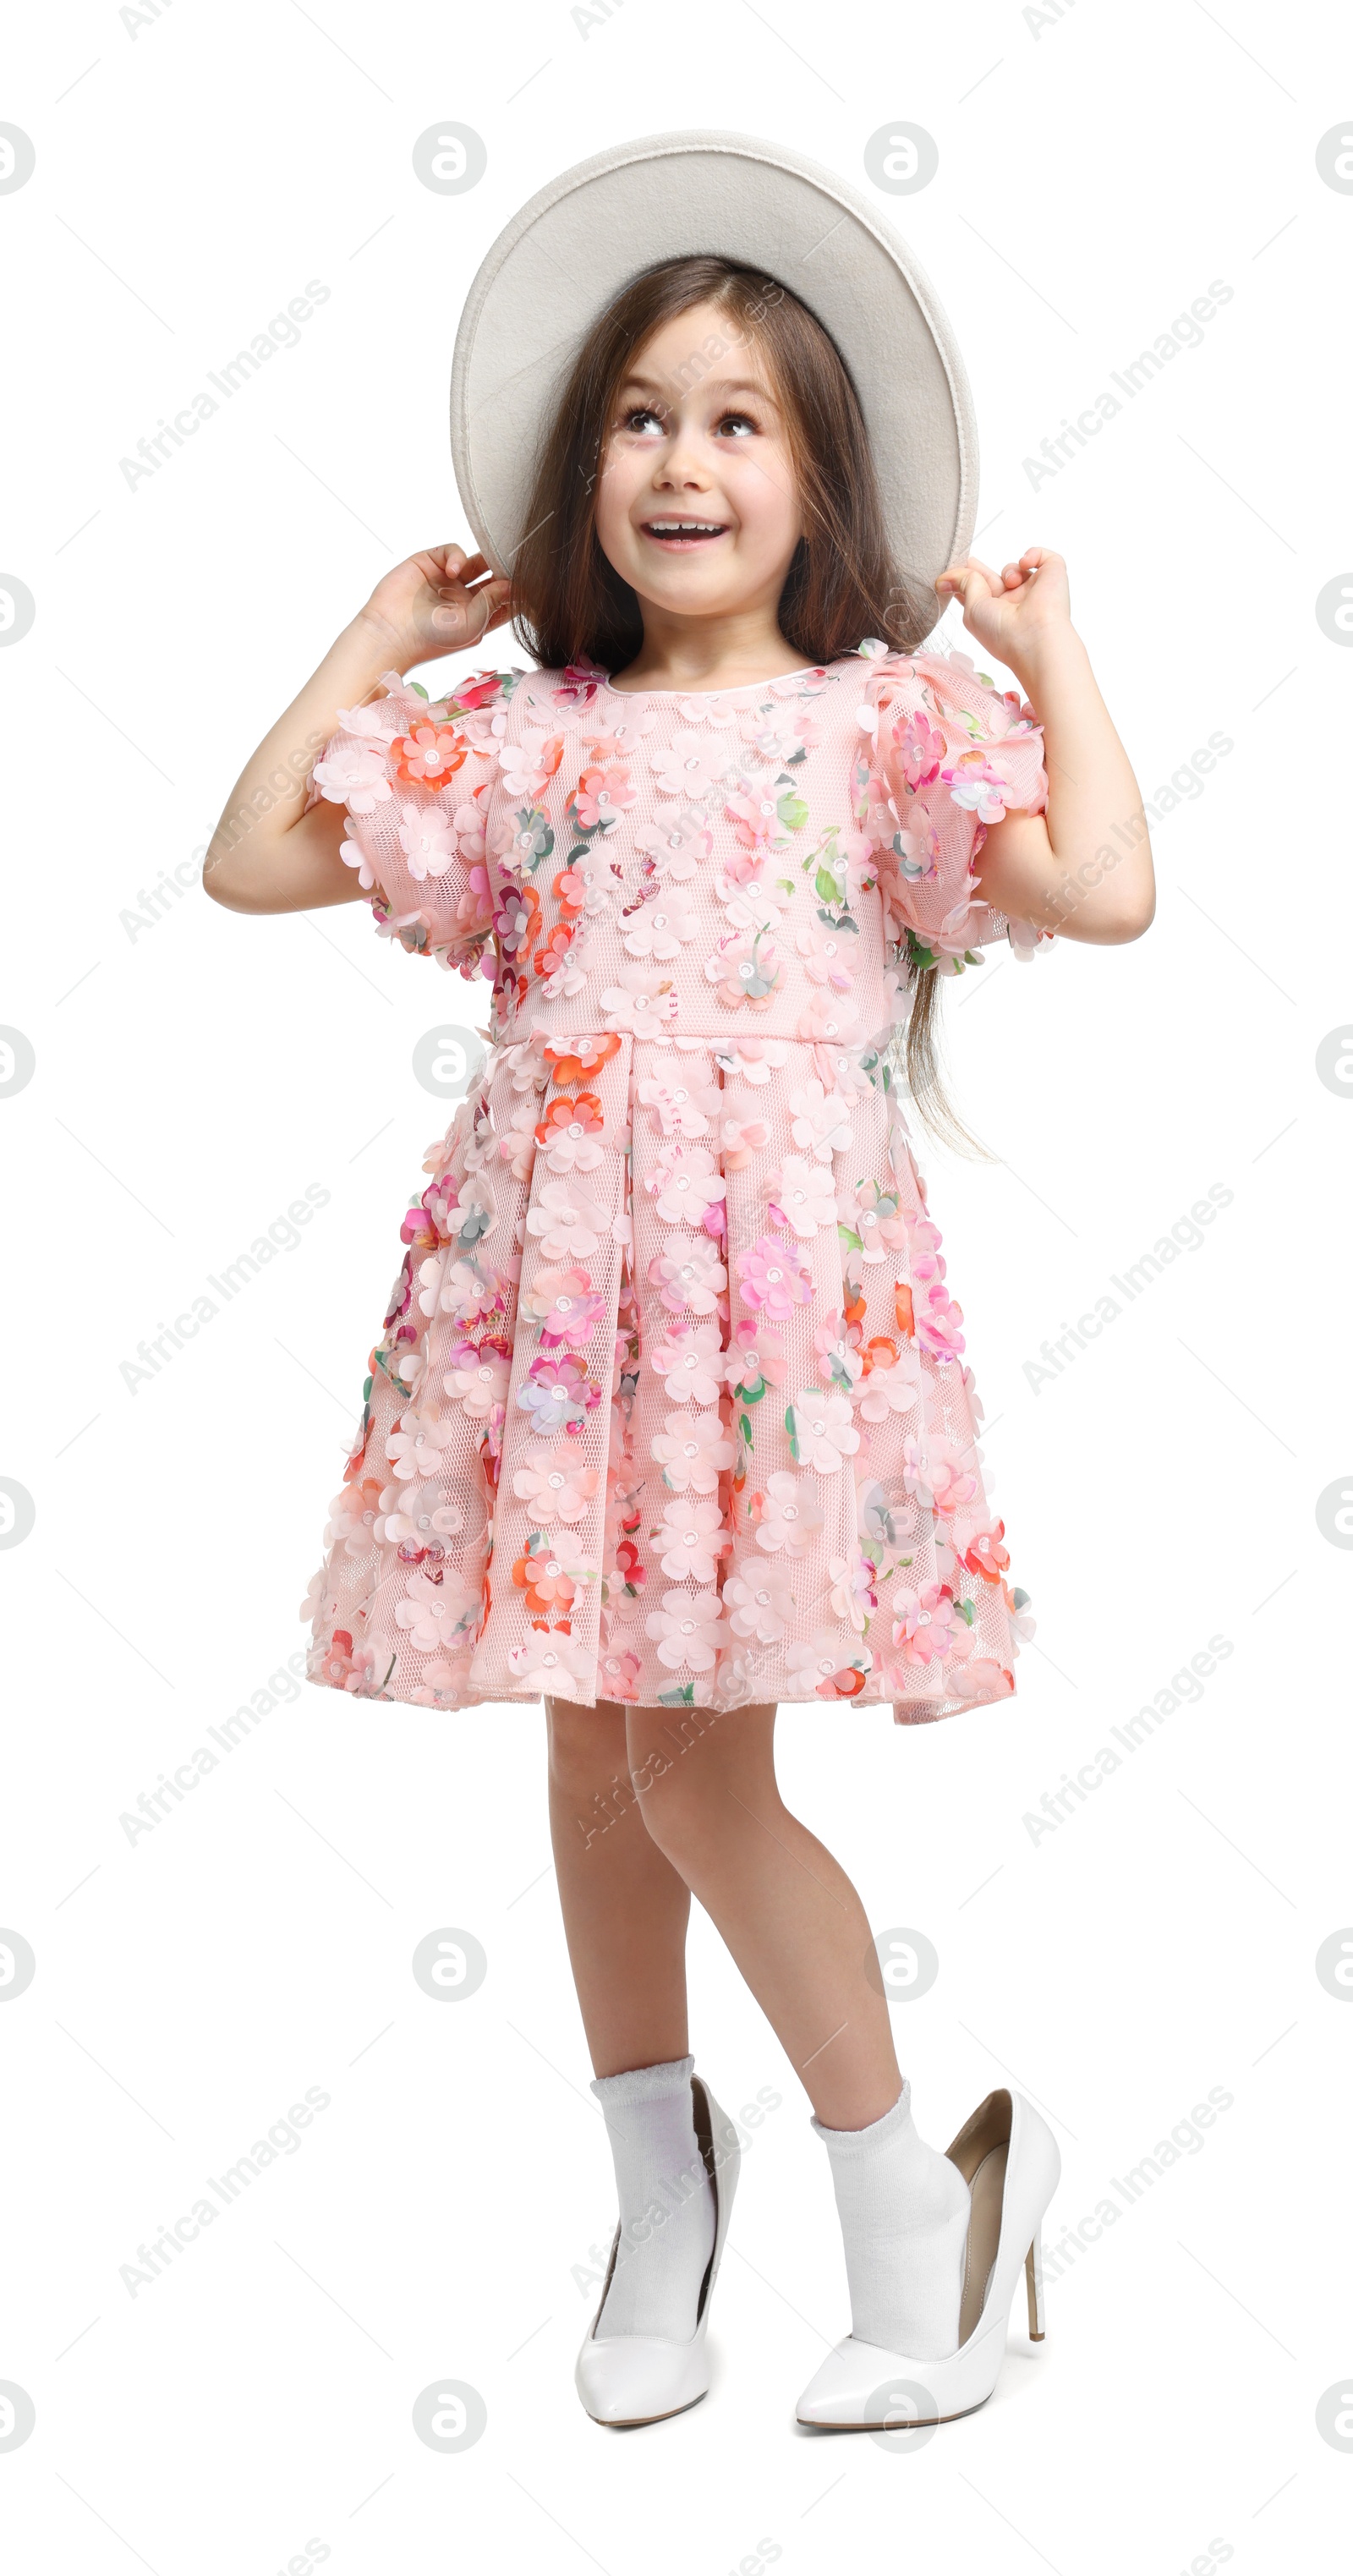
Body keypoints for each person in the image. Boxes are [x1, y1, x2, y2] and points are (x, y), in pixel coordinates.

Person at [205, 136, 1153, 2435]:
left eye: (737, 418)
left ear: (817, 474)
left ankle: (919, 2213)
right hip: (551, 1317)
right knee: (596, 1766)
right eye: (641, 416)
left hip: (763, 1335)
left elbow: (1105, 890)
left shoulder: (885, 725)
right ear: (582, 466)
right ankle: (659, 2193)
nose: (681, 459)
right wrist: (379, 637)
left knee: (703, 1774)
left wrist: (1049, 644)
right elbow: (249, 862)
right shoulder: (523, 733)